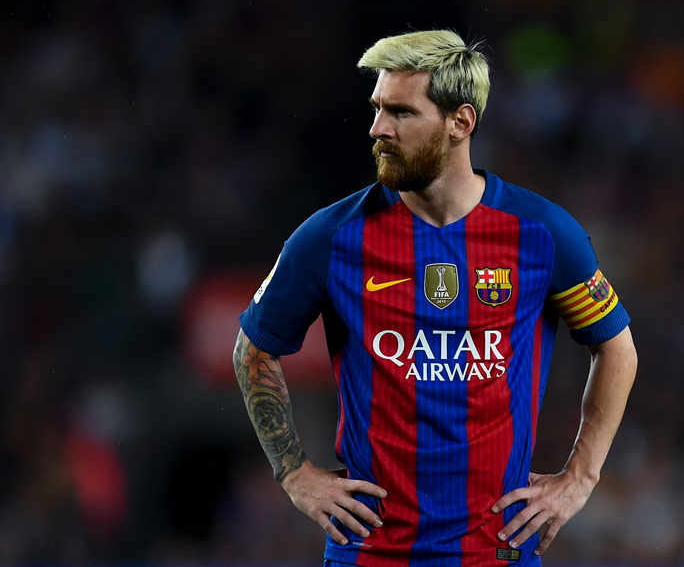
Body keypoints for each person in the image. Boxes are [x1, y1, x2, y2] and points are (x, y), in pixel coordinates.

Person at [233, 30, 637, 566]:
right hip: (371, 553)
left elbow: (616, 347)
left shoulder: (543, 234)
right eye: (377, 108)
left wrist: (581, 476)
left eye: (401, 112)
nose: (378, 128)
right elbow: (253, 349)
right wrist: (294, 474)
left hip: (496, 551)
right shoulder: (329, 238)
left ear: (460, 122)